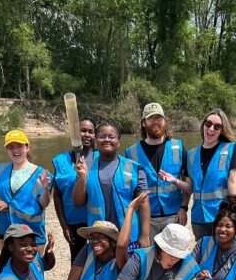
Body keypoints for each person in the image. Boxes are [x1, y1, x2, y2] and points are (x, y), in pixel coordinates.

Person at [72, 120, 151, 251]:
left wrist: (144, 235)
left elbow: (144, 203)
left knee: (127, 271)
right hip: (99, 236)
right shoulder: (86, 167)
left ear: (119, 141)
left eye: (111, 136)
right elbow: (78, 202)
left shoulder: (134, 168)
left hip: (128, 234)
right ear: (96, 140)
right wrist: (82, 177)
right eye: (102, 136)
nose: (107, 139)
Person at [125, 103, 191, 241]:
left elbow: (188, 183)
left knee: (173, 259)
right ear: (144, 123)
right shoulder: (131, 153)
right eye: (151, 118)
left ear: (165, 122)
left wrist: (184, 207)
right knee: (148, 259)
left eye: (159, 118)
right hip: (146, 219)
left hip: (174, 215)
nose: (156, 122)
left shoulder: (178, 147)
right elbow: (127, 188)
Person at [0, 129, 52, 252]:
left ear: (27, 147)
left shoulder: (41, 173)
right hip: (6, 230)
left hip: (32, 232)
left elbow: (44, 204)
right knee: (7, 268)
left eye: (19, 146)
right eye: (11, 147)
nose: (15, 150)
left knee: (33, 269)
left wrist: (45, 189)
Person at [186, 109, 236, 239]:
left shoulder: (231, 149)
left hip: (222, 215)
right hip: (198, 217)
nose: (211, 129)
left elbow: (233, 181)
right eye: (208, 123)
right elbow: (190, 187)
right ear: (203, 125)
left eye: (217, 126)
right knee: (204, 255)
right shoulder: (191, 154)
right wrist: (175, 181)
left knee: (224, 255)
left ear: (222, 130)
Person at [53, 117, 96, 261]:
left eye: (91, 131)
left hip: (96, 219)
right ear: (75, 134)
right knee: (78, 260)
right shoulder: (60, 161)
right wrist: (64, 226)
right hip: (73, 221)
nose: (87, 135)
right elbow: (57, 195)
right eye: (83, 131)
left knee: (100, 259)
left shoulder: (101, 158)